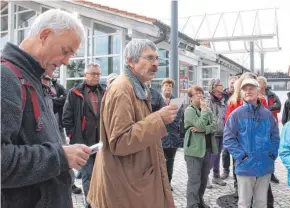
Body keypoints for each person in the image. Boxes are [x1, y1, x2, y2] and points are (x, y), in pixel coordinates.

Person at [1, 9, 91, 208]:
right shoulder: (6, 77)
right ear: (45, 35)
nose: (67, 61)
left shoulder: (33, 78)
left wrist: (63, 153)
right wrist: (61, 156)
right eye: (66, 51)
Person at [87, 39, 178, 208]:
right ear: (130, 61)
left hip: (132, 181)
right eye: (150, 58)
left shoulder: (138, 87)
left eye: (157, 59)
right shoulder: (122, 89)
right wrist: (158, 119)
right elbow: (120, 141)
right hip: (125, 187)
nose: (156, 64)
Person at [224, 78, 280, 208]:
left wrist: (272, 154)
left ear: (258, 90)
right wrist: (242, 156)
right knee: (244, 203)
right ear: (242, 93)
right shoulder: (236, 114)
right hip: (245, 166)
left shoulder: (267, 115)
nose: (248, 92)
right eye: (245, 89)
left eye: (251, 89)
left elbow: (275, 136)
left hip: (264, 166)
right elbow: (228, 138)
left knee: (261, 203)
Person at [63, 63, 105, 207]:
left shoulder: (104, 92)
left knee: (101, 174)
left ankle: (98, 201)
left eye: (98, 74)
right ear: (85, 75)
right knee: (87, 176)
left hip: (100, 142)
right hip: (83, 142)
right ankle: (90, 204)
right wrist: (73, 136)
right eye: (93, 74)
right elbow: (66, 118)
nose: (96, 77)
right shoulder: (74, 93)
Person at [184, 85, 218, 208]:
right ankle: (192, 205)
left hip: (207, 149)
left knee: (204, 179)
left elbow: (215, 126)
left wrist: (203, 130)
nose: (200, 96)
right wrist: (204, 114)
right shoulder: (189, 110)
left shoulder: (207, 109)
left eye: (200, 93)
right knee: (194, 180)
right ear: (191, 98)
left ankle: (199, 201)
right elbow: (200, 124)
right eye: (196, 94)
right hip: (194, 151)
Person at [160, 78, 184, 190]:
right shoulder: (157, 99)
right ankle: (159, 182)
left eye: (170, 86)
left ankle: (168, 182)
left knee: (170, 160)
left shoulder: (177, 101)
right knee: (158, 160)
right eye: (166, 85)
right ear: (162, 87)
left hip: (172, 136)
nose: (168, 88)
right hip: (159, 135)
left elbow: (178, 118)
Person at [257, 76, 281, 184]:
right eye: (257, 82)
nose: (259, 84)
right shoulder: (255, 95)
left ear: (264, 84)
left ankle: (271, 173)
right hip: (259, 126)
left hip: (271, 124)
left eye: (261, 82)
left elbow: (278, 106)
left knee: (271, 149)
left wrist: (266, 109)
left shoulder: (271, 95)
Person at [206, 79, 227, 188]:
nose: (222, 86)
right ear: (213, 87)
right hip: (213, 133)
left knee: (218, 155)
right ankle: (205, 178)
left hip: (221, 132)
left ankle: (216, 176)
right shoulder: (209, 100)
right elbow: (209, 117)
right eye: (220, 85)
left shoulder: (222, 100)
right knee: (212, 156)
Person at [221, 76, 238, 180]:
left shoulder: (238, 96)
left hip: (236, 128)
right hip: (225, 126)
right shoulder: (223, 96)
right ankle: (225, 170)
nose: (232, 85)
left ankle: (235, 172)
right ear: (228, 84)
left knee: (235, 152)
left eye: (235, 83)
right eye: (231, 82)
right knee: (225, 151)